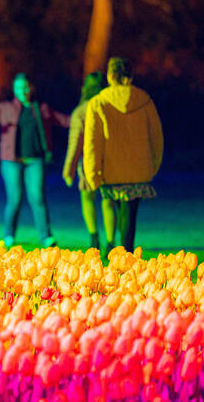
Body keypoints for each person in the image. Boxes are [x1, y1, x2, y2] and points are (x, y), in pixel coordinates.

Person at [0, 73, 70, 247]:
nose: (23, 91)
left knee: (38, 198)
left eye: (26, 87)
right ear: (14, 89)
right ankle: (9, 235)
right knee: (15, 198)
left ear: (31, 88)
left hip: (35, 160)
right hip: (11, 161)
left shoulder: (41, 108)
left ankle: (46, 237)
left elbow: (65, 120)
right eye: (19, 87)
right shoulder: (6, 108)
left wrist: (85, 117)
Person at [83, 57, 164, 257]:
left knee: (120, 212)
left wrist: (92, 172)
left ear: (110, 76)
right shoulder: (144, 100)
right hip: (138, 169)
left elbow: (92, 143)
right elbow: (156, 137)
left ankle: (123, 255)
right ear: (131, 75)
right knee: (130, 214)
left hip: (111, 170)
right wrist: (153, 165)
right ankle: (126, 253)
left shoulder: (98, 103)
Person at [62, 71, 105, 250]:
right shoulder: (110, 107)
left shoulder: (81, 111)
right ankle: (111, 240)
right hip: (109, 161)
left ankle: (94, 236)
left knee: (87, 198)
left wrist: (69, 169)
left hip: (88, 161)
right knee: (108, 200)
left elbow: (75, 143)